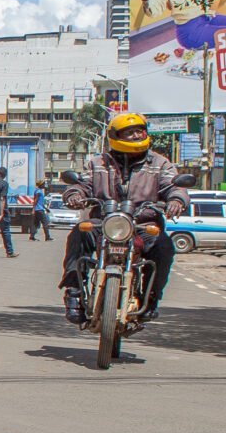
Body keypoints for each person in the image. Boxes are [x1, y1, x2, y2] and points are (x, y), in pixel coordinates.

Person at [62, 111, 187, 322]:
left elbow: (173, 186)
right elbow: (82, 185)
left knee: (164, 246)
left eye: (139, 130)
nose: (137, 135)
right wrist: (75, 195)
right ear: (116, 136)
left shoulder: (159, 163)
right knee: (78, 235)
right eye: (129, 132)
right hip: (103, 222)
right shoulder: (98, 163)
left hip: (143, 225)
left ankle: (151, 296)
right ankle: (73, 291)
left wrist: (177, 200)